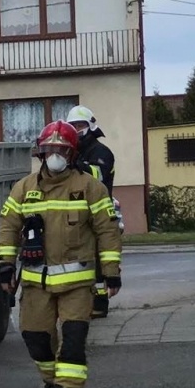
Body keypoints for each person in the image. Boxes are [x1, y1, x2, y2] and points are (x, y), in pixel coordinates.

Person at [0, 121, 123, 388]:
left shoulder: (91, 188)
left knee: (74, 339)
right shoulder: (24, 188)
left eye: (61, 150)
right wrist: (4, 265)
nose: (55, 155)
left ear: (73, 154)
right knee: (36, 338)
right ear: (40, 153)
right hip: (35, 282)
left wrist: (111, 271)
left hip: (77, 284)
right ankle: (52, 382)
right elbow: (8, 227)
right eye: (50, 149)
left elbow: (107, 231)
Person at [67, 105, 118, 318]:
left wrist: (80, 165)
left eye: (81, 125)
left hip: (97, 210)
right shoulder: (72, 151)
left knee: (98, 257)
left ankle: (99, 304)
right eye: (73, 125)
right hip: (76, 209)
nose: (77, 129)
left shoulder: (101, 152)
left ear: (90, 126)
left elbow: (98, 174)